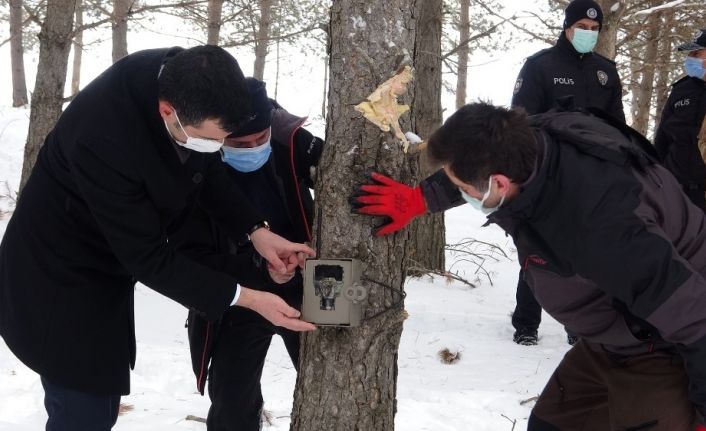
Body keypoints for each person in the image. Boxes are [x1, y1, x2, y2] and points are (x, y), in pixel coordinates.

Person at [0, 46, 315, 431]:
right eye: (209, 140)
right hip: (57, 278)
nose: (216, 150)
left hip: (110, 264)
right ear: (169, 112)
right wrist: (247, 297)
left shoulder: (186, 80)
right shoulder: (102, 140)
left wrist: (257, 231)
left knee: (103, 403)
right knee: (85, 411)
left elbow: (207, 171)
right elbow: (149, 258)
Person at [353, 102, 706, 430]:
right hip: (609, 337)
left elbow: (695, 319)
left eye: (462, 189)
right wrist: (421, 198)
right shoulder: (529, 141)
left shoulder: (602, 226)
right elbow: (475, 161)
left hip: (663, 343)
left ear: (500, 185)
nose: (459, 192)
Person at [173, 78, 322, 431]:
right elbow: (191, 255)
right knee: (231, 394)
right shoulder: (191, 165)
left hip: (307, 284)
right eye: (240, 143)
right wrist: (259, 270)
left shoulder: (290, 140)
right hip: (237, 293)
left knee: (325, 376)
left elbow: (342, 171)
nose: (254, 148)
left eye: (260, 139)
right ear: (216, 136)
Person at [509, 0, 626, 346]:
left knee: (584, 255)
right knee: (539, 248)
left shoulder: (606, 71)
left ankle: (578, 325)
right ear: (567, 27)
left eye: (594, 29)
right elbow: (520, 122)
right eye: (582, 27)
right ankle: (526, 323)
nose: (588, 33)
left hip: (590, 179)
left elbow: (616, 128)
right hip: (547, 176)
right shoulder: (540, 67)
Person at [655, 29, 706, 212]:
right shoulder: (681, 90)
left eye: (696, 53)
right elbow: (662, 139)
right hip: (674, 192)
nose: (690, 58)